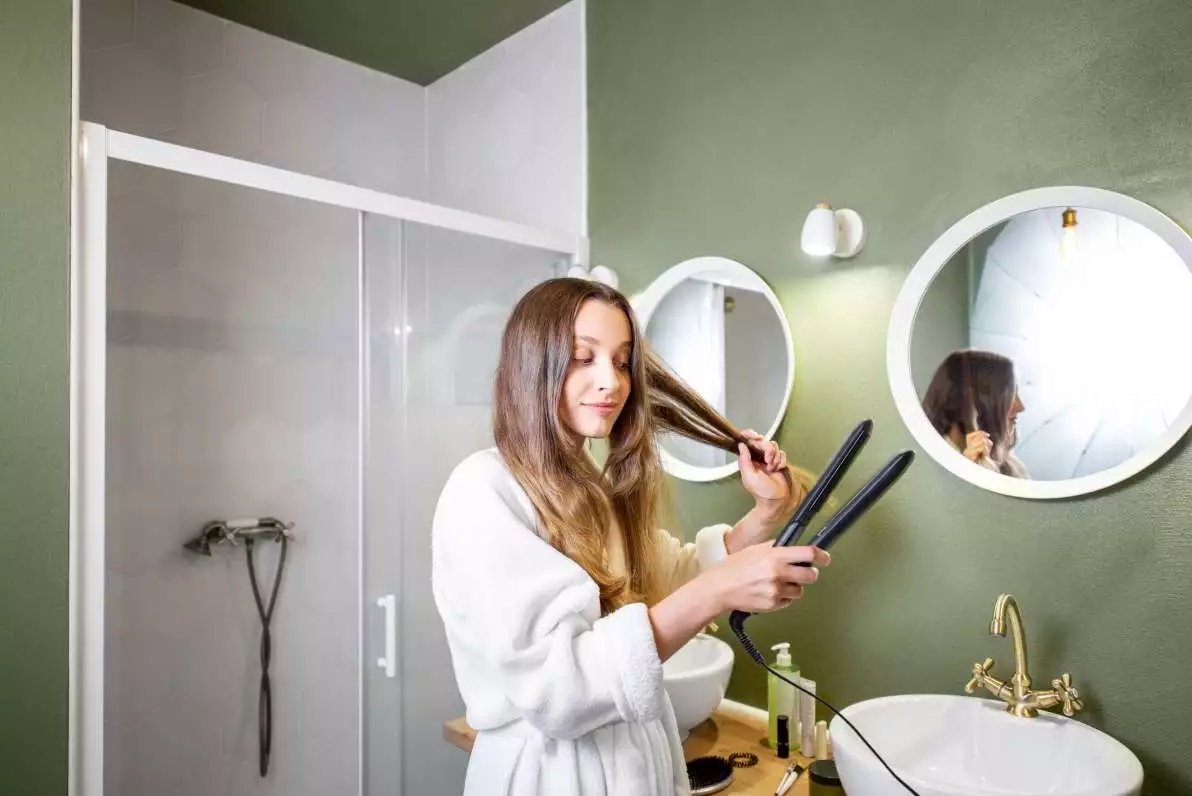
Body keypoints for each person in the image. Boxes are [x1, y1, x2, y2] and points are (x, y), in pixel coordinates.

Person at [431, 277, 829, 795]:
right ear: (533, 363)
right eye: (583, 356)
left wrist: (766, 511)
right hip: (551, 776)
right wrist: (719, 590)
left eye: (621, 362)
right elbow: (560, 689)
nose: (612, 382)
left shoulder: (585, 486)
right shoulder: (483, 491)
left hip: (635, 763)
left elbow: (664, 576)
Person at [921, 349, 1028, 478]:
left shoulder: (1013, 468)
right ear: (978, 402)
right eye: (1010, 395)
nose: (1021, 407)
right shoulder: (926, 468)